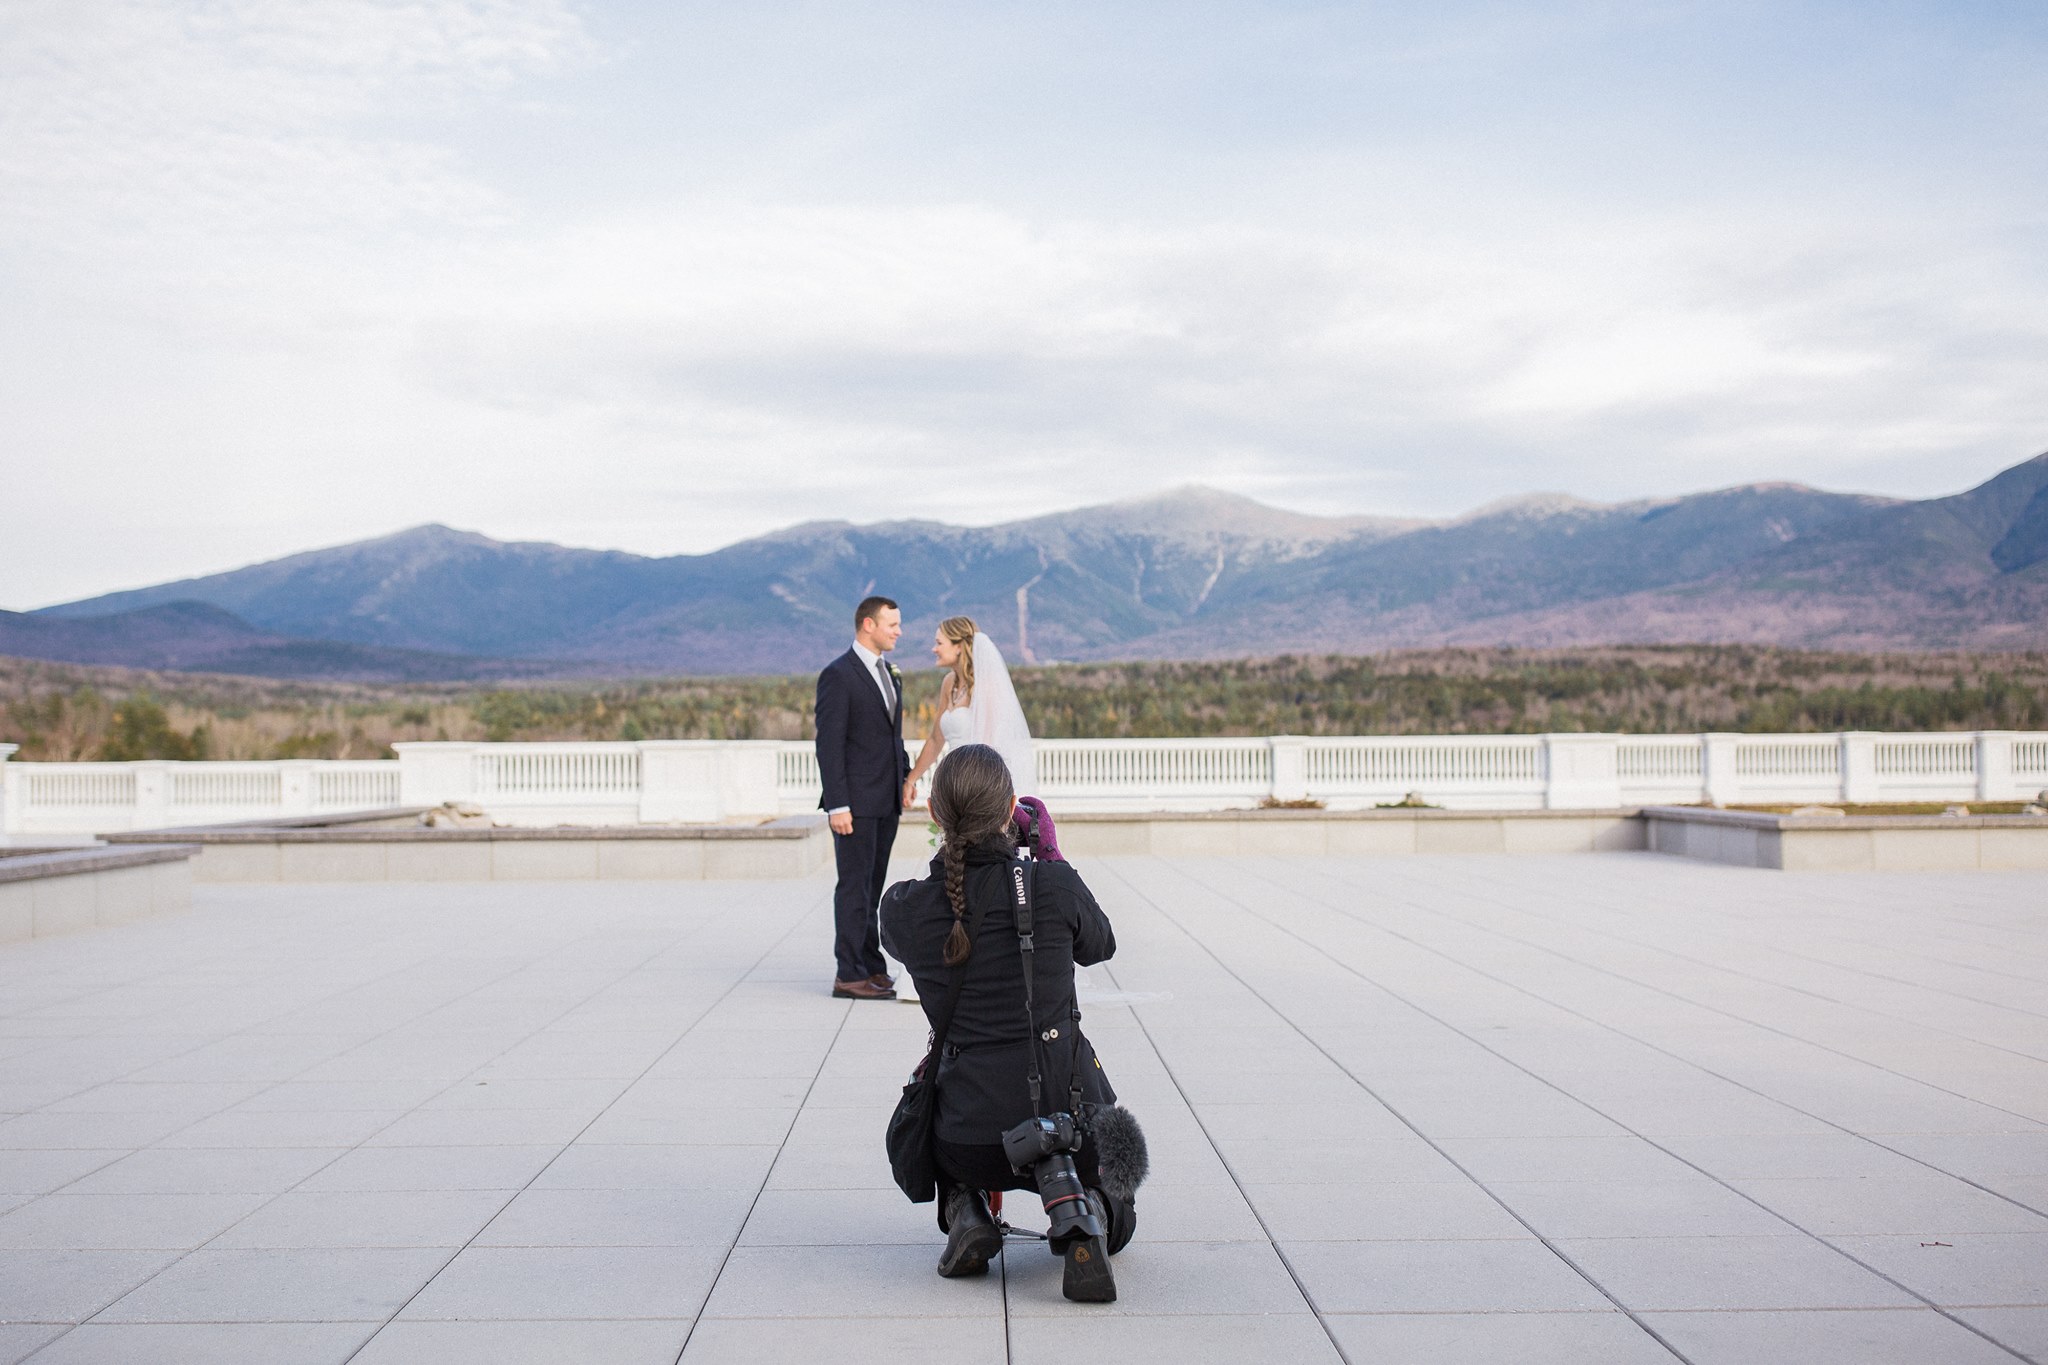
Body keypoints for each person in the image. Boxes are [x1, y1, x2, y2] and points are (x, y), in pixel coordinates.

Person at [881, 744, 1141, 1301]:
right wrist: (1050, 856)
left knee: (948, 1116)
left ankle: (965, 1207)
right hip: (1070, 1122)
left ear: (933, 815)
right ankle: (1083, 1202)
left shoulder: (906, 909)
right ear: (1011, 814)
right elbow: (1101, 944)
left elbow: (919, 912)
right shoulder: (1052, 886)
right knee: (1122, 1185)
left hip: (965, 1136)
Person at [815, 595, 911, 1000]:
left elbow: (892, 735)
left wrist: (905, 776)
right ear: (868, 625)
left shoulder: (889, 672)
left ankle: (872, 965)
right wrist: (838, 804)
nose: (899, 631)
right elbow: (829, 744)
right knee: (854, 888)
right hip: (853, 804)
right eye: (892, 624)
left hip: (885, 800)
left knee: (873, 888)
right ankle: (848, 973)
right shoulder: (838, 674)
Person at [902, 616, 1038, 810]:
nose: (934, 649)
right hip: (951, 781)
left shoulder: (986, 686)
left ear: (958, 647)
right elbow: (935, 739)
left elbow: (990, 742)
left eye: (939, 643)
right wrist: (911, 780)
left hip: (978, 783)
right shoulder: (949, 683)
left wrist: (973, 786)